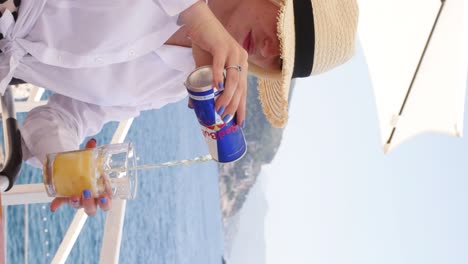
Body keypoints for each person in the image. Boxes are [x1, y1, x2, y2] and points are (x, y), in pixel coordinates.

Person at [0, 0, 358, 215]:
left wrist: (67, 164)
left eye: (280, 60)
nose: (266, 49)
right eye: (281, 31)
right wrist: (200, 21)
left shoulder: (174, 86)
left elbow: (60, 116)